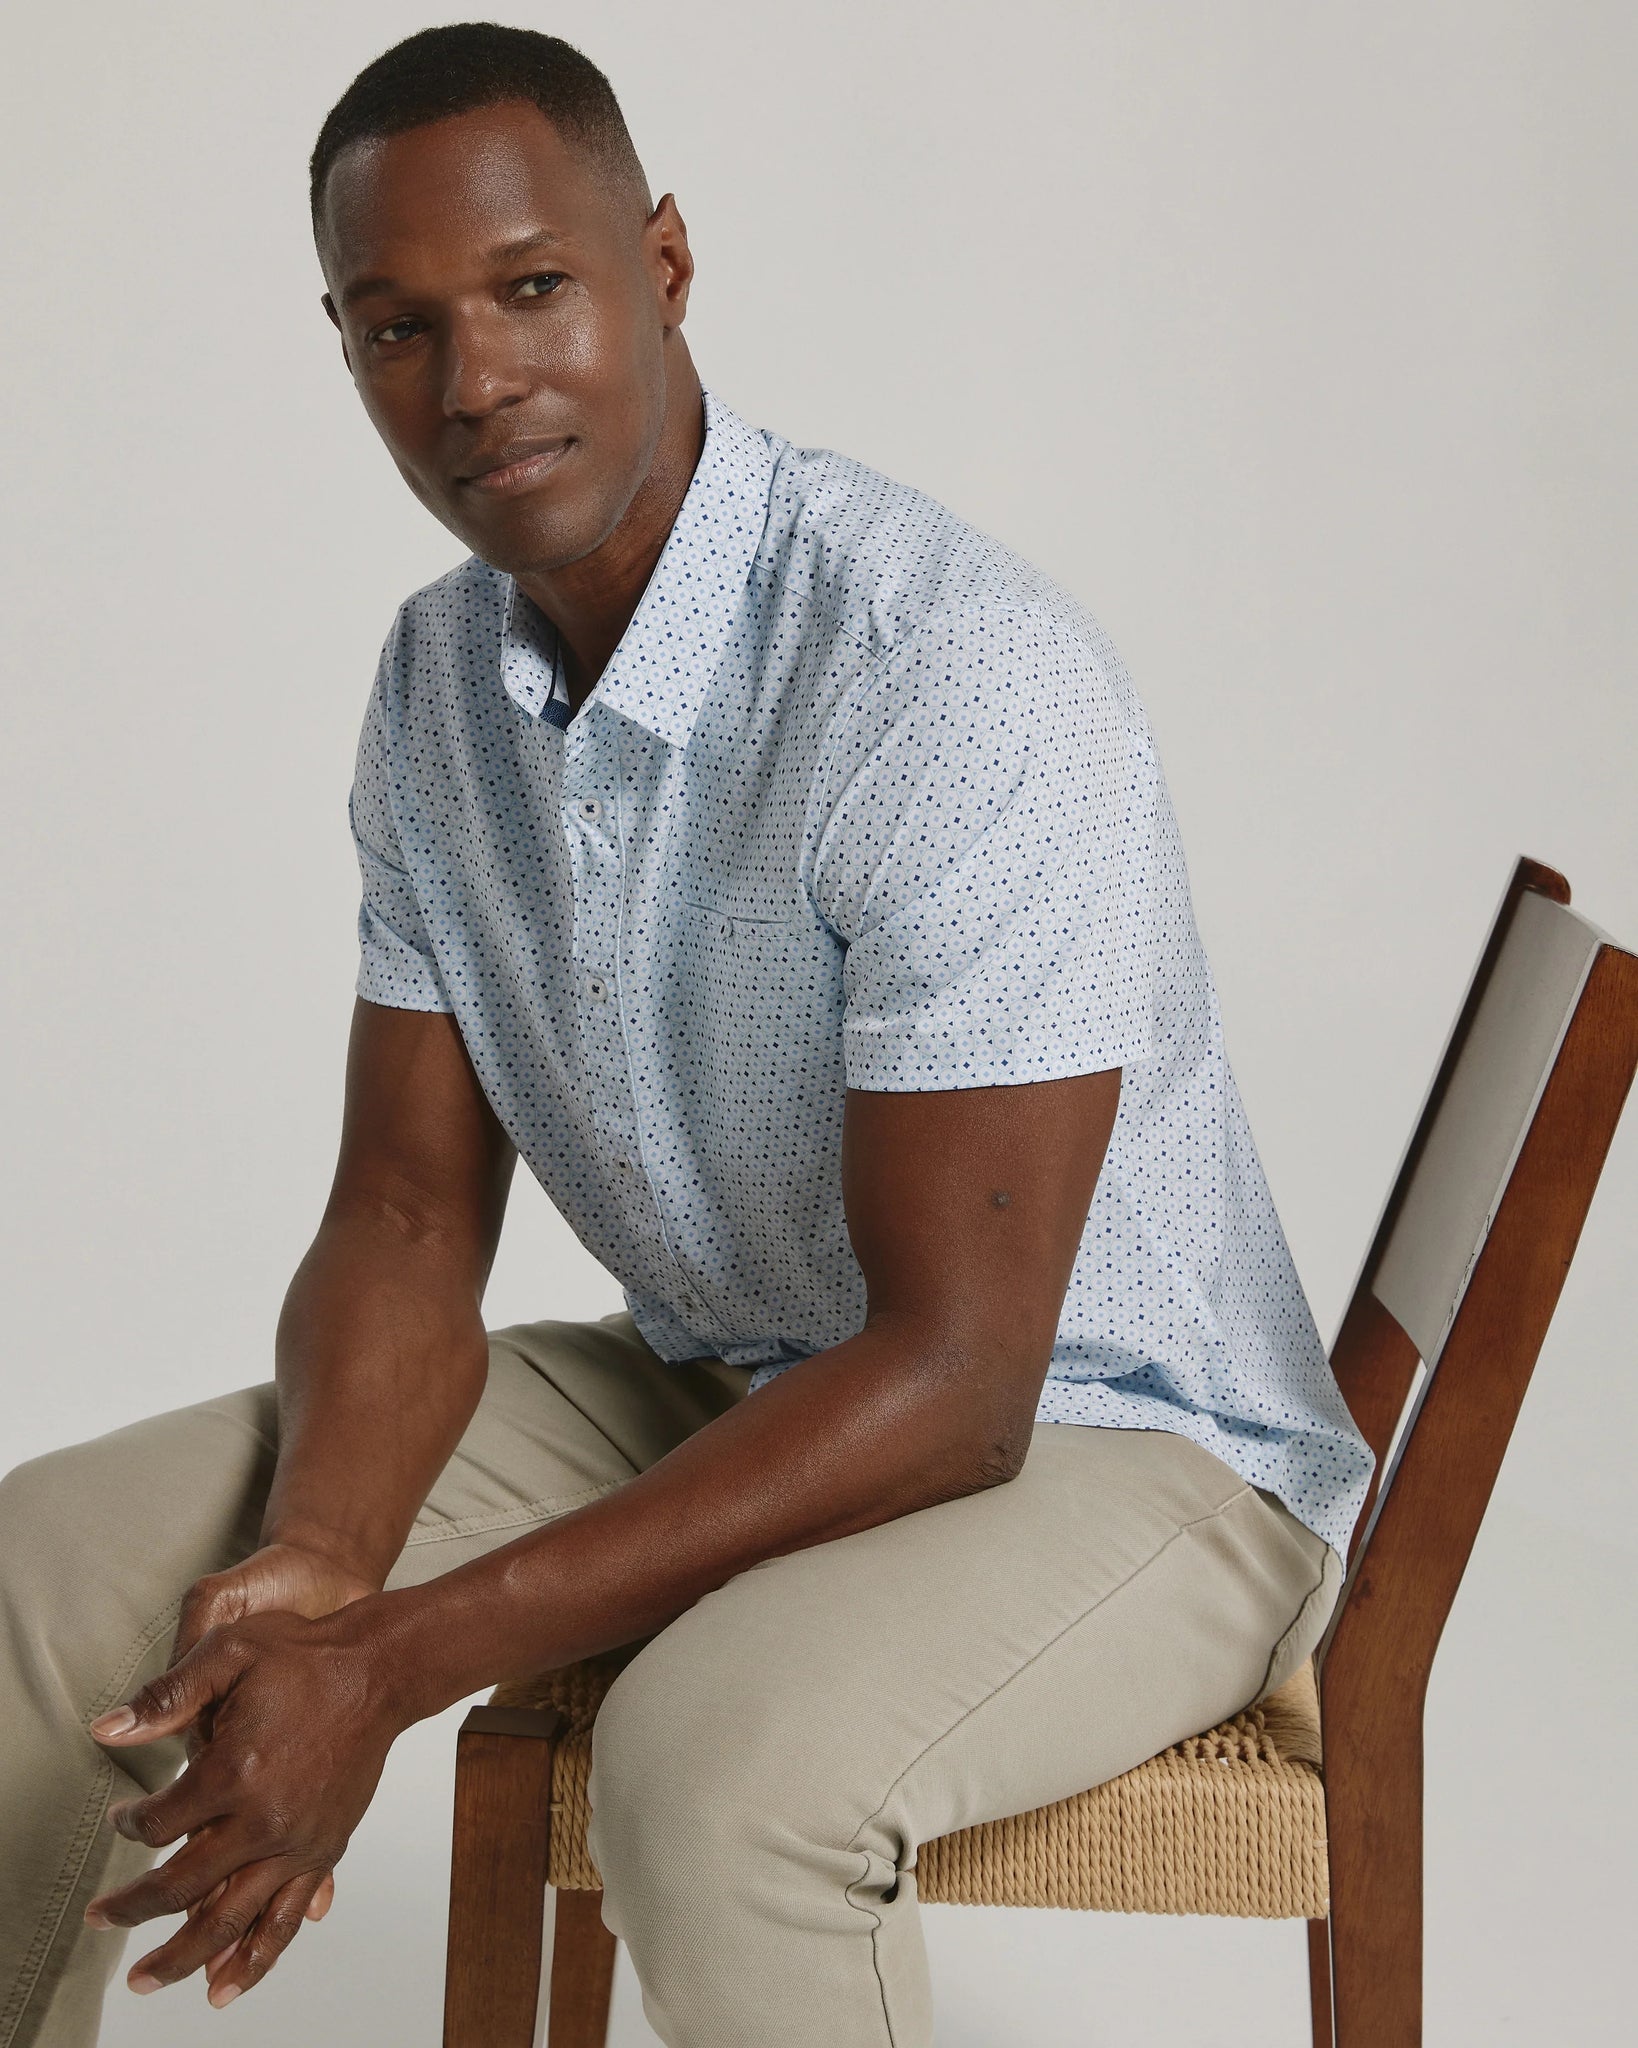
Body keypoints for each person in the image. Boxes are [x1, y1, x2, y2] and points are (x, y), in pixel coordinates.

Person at [0, 22, 1374, 2048]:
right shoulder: (438, 686)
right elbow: (404, 1217)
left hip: (1113, 1441)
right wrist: (319, 1560)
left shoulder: (943, 673)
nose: (473, 382)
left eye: (530, 288)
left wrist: (389, 1661)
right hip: (730, 1374)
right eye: (397, 327)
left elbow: (959, 1381)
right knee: (43, 1582)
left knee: (715, 1774)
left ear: (662, 262)